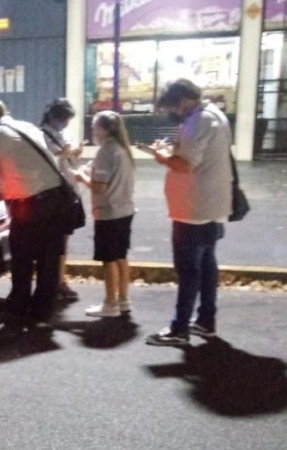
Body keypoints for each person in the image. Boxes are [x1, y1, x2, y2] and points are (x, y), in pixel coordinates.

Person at [144, 78, 232, 346]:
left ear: (182, 101)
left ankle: (179, 329)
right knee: (206, 265)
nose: (173, 112)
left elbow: (185, 164)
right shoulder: (214, 115)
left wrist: (162, 157)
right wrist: (172, 150)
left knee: (188, 269)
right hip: (210, 207)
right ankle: (205, 320)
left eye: (172, 107)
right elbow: (197, 155)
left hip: (193, 209)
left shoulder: (198, 120)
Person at [0, 97, 63, 323]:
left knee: (22, 256)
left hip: (30, 203)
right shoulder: (29, 127)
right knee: (48, 260)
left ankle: (18, 305)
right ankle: (43, 309)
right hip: (56, 199)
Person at [73, 110, 136, 318]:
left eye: (94, 126)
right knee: (121, 256)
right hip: (125, 210)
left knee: (108, 259)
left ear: (103, 129)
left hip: (109, 212)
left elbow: (99, 187)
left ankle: (110, 304)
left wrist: (80, 177)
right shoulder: (122, 149)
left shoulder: (106, 151)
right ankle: (123, 299)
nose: (92, 130)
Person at [41, 98, 84, 302]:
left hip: (70, 190)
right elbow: (46, 165)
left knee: (64, 238)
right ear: (53, 116)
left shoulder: (66, 133)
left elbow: (71, 159)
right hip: (56, 192)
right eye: (63, 119)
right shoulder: (42, 135)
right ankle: (54, 282)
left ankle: (59, 280)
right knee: (54, 241)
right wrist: (63, 155)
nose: (66, 123)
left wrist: (75, 153)